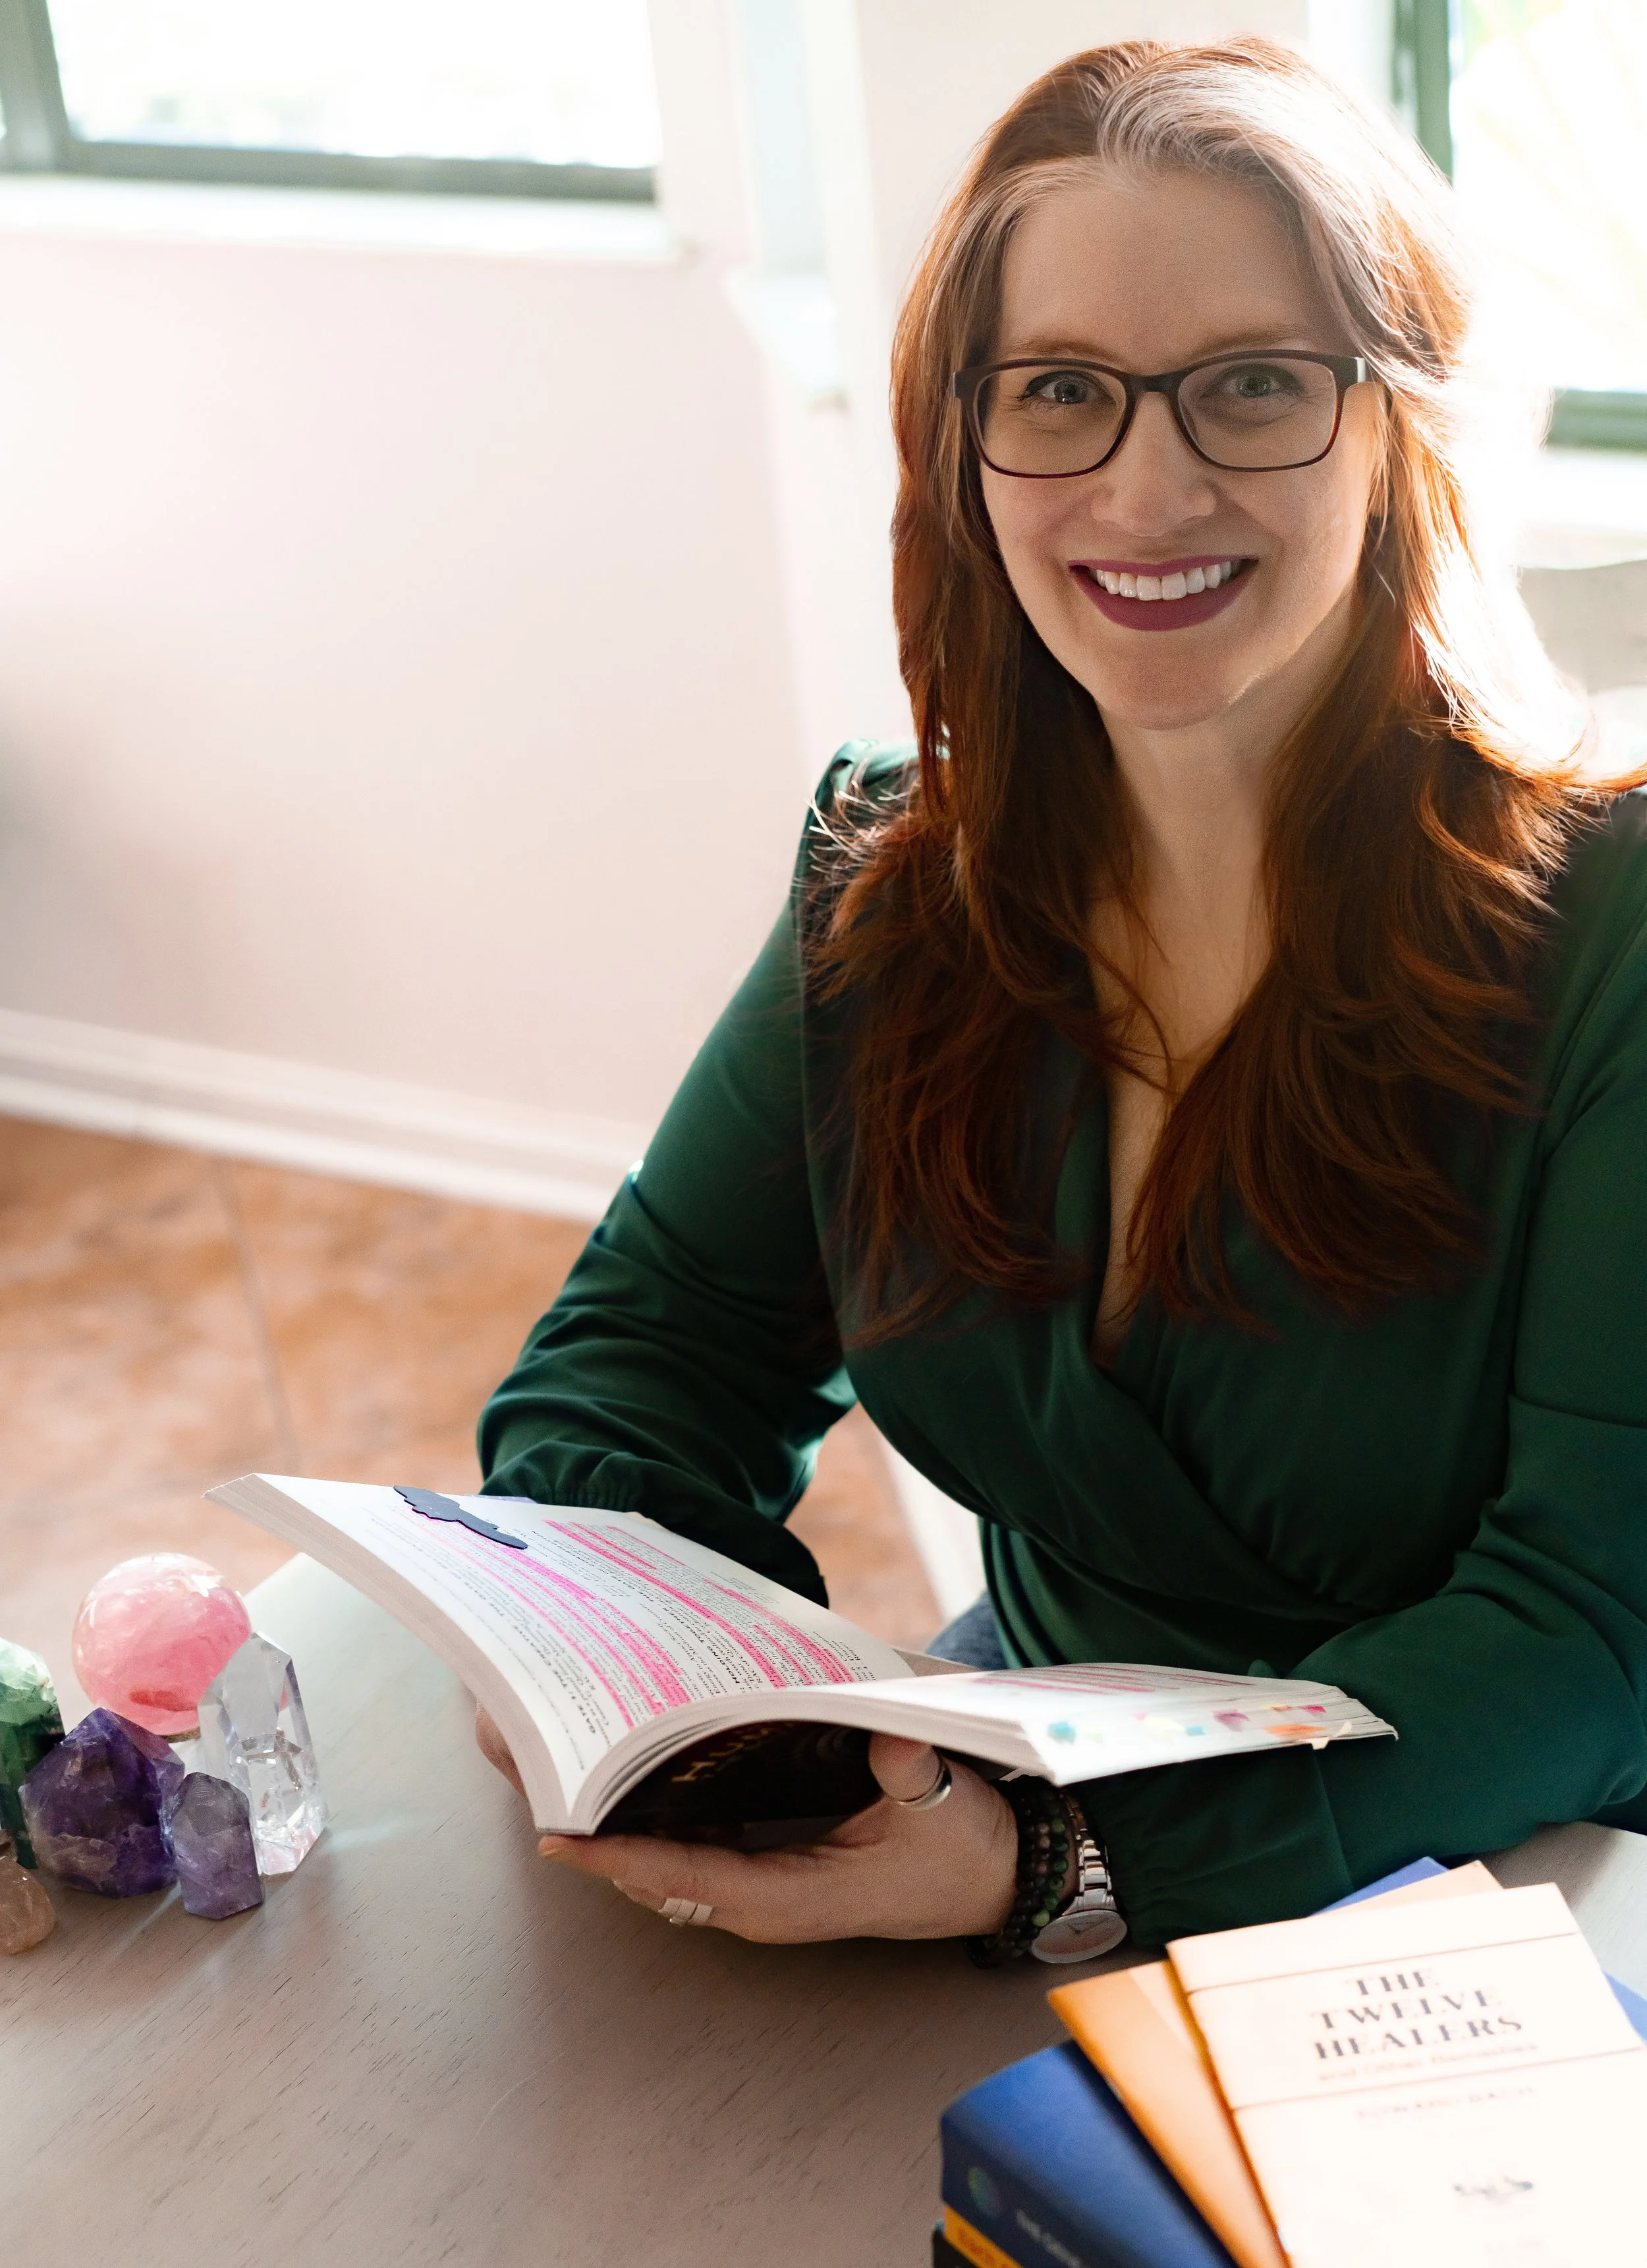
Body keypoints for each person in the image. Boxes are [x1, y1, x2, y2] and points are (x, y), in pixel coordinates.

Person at [473, 38, 1647, 1958]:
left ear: (1394, 430)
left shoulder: (1622, 923)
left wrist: (1062, 1866)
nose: (1148, 483)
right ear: (968, 440)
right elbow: (639, 1358)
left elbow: (1594, 1628)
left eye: (1255, 386)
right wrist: (686, 1698)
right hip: (1006, 1803)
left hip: (1505, 1870)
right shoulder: (888, 880)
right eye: (1062, 394)